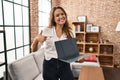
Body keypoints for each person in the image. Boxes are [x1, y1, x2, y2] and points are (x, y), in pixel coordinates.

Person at [31, 6, 84, 80]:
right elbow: (34, 50)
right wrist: (36, 39)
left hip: (64, 64)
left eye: (62, 14)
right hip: (49, 65)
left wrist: (77, 58)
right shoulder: (47, 30)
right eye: (57, 15)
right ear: (53, 18)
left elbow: (71, 52)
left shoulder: (70, 32)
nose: (61, 16)